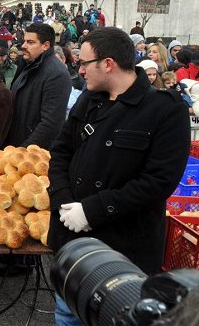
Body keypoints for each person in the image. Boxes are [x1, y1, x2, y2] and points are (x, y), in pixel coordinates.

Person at [47, 27, 190, 325]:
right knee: (66, 317)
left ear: (108, 63)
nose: (80, 69)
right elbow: (60, 153)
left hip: (124, 257)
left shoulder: (165, 110)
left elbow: (158, 182)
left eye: (85, 63)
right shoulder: (89, 100)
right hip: (74, 251)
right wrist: (64, 202)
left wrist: (93, 210)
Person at [7, 22, 72, 148]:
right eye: (24, 41)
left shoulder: (57, 74)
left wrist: (23, 151)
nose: (24, 46)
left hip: (32, 156)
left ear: (45, 45)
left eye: (30, 42)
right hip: (15, 146)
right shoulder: (27, 65)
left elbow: (50, 124)